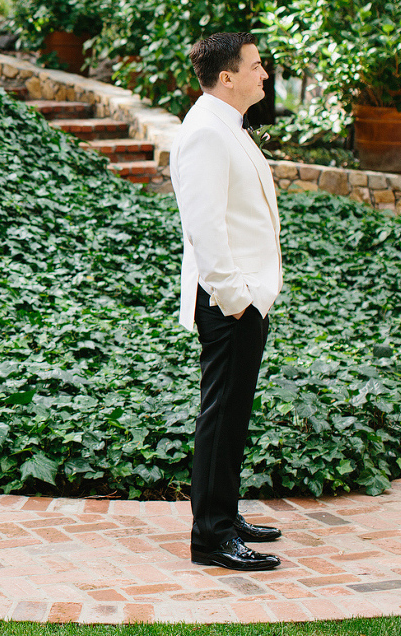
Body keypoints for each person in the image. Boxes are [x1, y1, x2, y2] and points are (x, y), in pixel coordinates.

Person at [170, 32, 284, 571]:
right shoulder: (204, 134)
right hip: (227, 303)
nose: (265, 75)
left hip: (244, 300)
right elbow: (205, 228)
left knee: (233, 415)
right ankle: (211, 539)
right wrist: (237, 299)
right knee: (220, 418)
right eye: (256, 66)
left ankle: (224, 514)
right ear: (228, 76)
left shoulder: (226, 127)